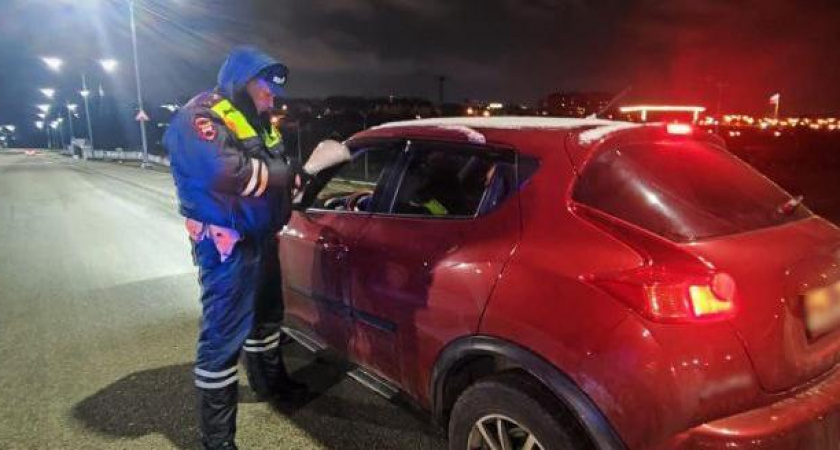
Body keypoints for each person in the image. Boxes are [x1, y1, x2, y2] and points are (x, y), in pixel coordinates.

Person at [163, 46, 308, 450]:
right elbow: (227, 172)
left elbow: (272, 165)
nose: (272, 96)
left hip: (260, 235)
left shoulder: (256, 119)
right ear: (243, 81)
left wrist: (292, 177)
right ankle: (218, 441)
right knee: (222, 339)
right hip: (227, 246)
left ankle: (271, 384)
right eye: (266, 87)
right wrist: (286, 174)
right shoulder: (201, 115)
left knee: (265, 319)